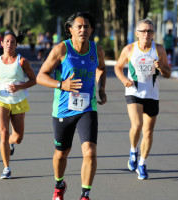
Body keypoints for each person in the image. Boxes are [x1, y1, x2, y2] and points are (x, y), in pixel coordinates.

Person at [36, 12, 107, 200]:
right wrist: (62, 85)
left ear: (91, 30)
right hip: (63, 109)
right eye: (79, 26)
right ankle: (59, 184)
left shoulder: (96, 50)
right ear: (71, 30)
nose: (83, 29)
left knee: (90, 152)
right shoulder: (61, 49)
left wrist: (101, 89)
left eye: (87, 26)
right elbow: (40, 76)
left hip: (87, 108)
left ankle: (85, 195)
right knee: (61, 154)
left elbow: (101, 68)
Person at [114, 19, 171, 180]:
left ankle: (142, 163)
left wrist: (161, 67)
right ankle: (133, 150)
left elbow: (168, 73)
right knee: (137, 125)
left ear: (153, 34)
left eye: (150, 31)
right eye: (144, 31)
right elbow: (118, 67)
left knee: (148, 131)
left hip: (152, 94)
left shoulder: (158, 49)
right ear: (137, 33)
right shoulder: (129, 49)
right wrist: (124, 80)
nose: (147, 34)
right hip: (134, 91)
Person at [0, 32, 37, 179]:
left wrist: (19, 87)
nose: (9, 44)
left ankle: (10, 143)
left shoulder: (22, 62)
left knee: (18, 137)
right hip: (1, 100)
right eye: (7, 41)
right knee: (3, 132)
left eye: (12, 42)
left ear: (16, 45)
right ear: (2, 43)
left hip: (18, 101)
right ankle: (6, 168)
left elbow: (34, 80)